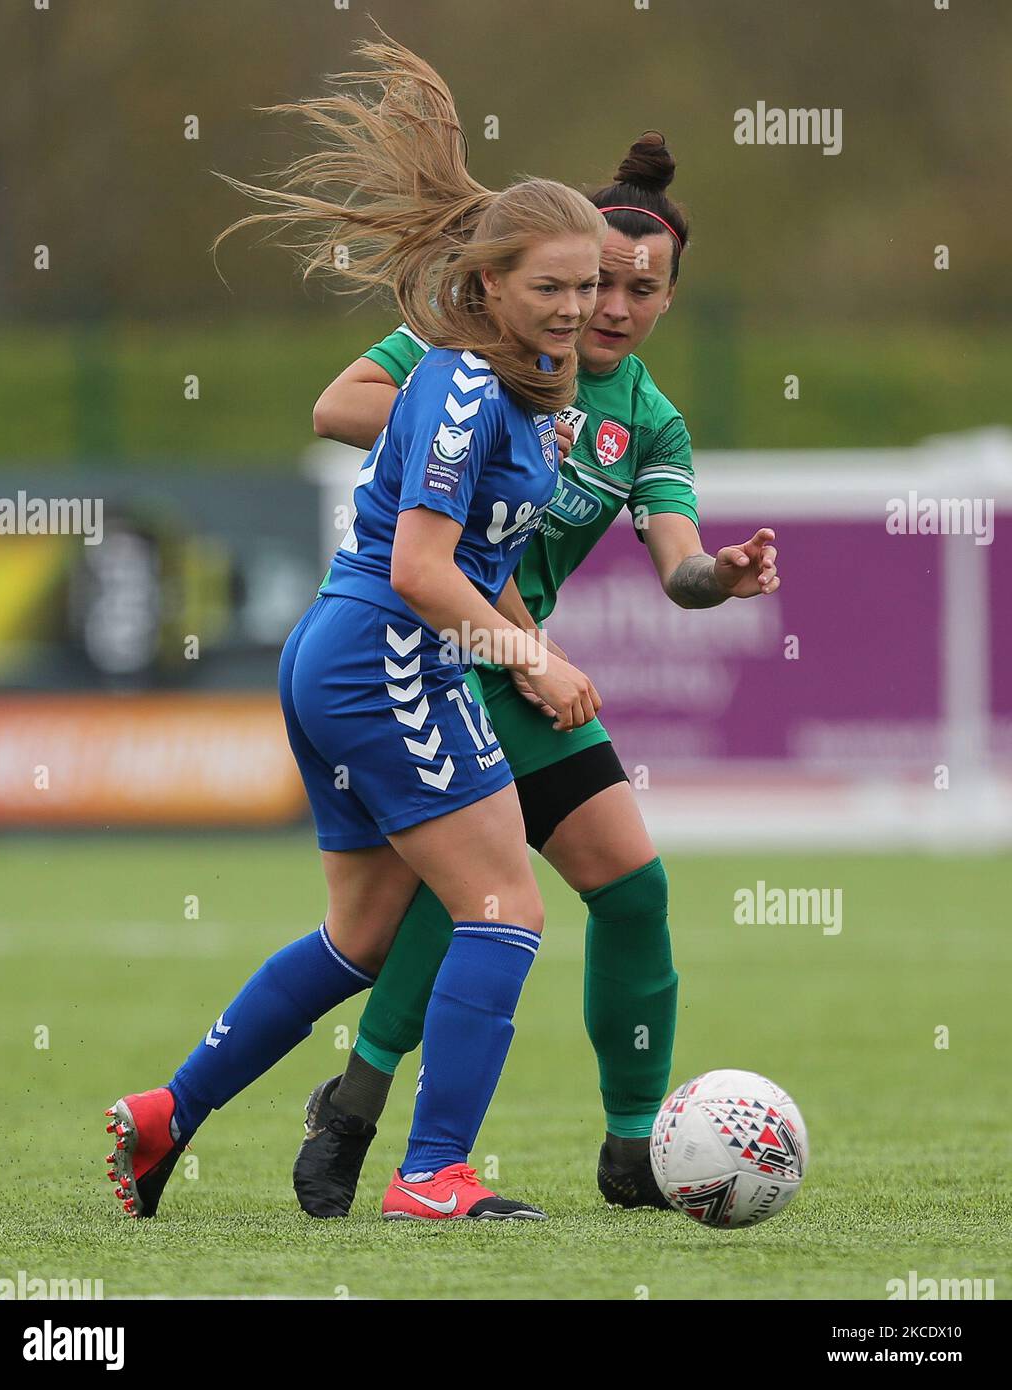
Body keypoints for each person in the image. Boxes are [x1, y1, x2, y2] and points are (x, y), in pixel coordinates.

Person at [104, 29, 606, 1222]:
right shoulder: (465, 379)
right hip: (387, 655)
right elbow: (426, 569)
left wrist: (525, 641)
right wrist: (527, 653)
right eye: (551, 286)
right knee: (504, 909)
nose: (577, 307)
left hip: (355, 658)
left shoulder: (525, 389)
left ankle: (168, 1113)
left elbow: (475, 557)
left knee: (360, 934)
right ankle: (431, 1175)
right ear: (487, 285)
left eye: (589, 285)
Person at [292, 132, 781, 1218]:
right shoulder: (479, 343)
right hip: (436, 647)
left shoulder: (649, 419)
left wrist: (723, 575)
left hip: (516, 661)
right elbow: (334, 411)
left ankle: (630, 1150)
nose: (610, 305)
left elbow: (678, 566)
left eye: (640, 291)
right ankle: (358, 1113)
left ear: (665, 301)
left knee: (630, 885)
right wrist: (480, 429)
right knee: (459, 904)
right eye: (598, 280)